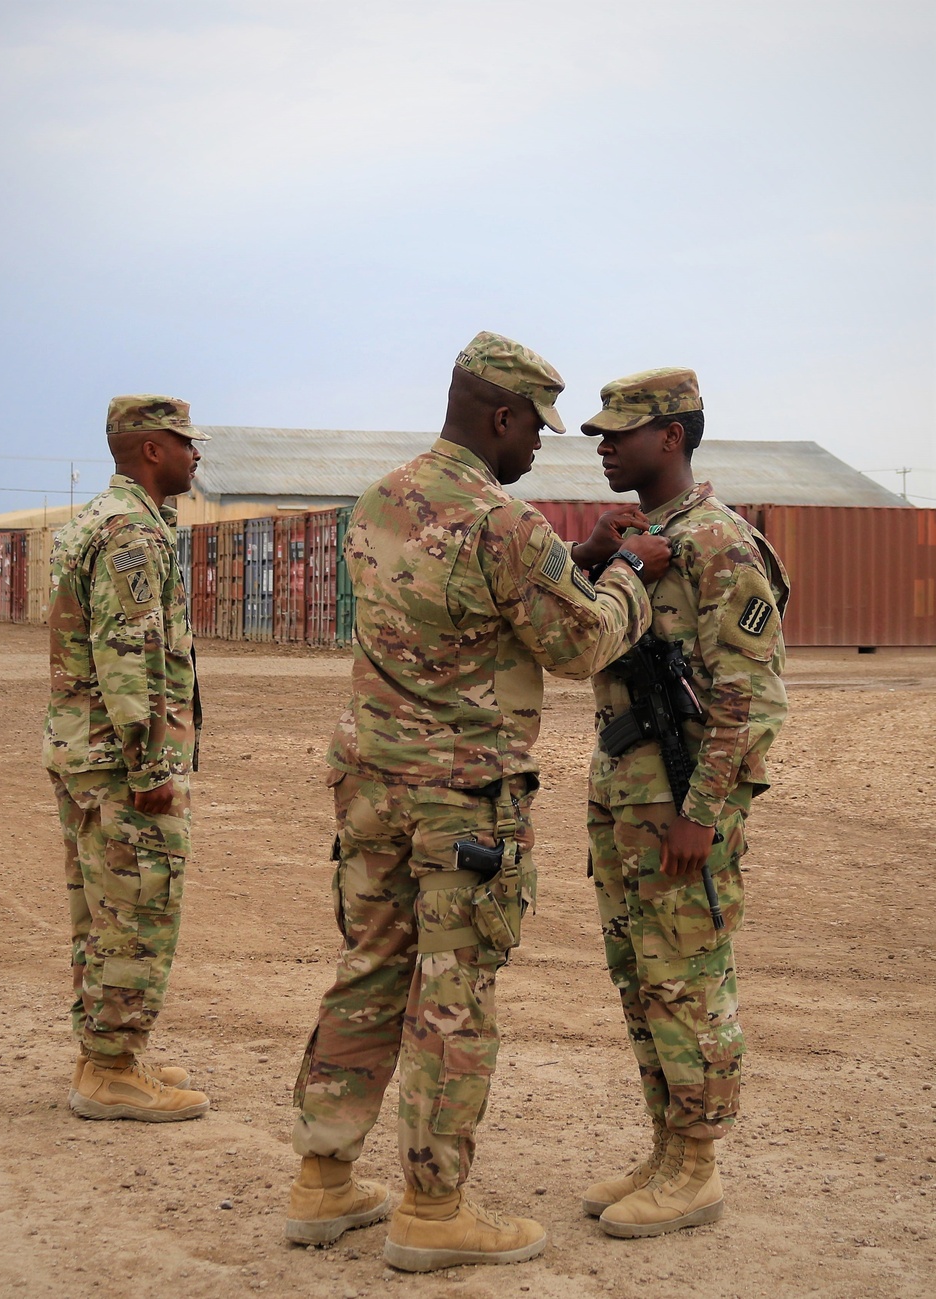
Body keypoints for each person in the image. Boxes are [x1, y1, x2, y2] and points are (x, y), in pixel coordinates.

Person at [286, 332, 672, 1272]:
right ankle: (432, 1205)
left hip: (371, 781)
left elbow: (456, 611)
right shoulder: (504, 523)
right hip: (461, 802)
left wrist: (573, 556)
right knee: (454, 992)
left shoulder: (379, 500)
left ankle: (322, 1181)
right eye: (534, 427)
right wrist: (630, 575)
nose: (540, 446)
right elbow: (577, 645)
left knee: (371, 964)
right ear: (498, 416)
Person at [577, 368, 789, 1236]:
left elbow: (750, 697)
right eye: (599, 432)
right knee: (641, 976)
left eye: (619, 432)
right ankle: (667, 1144)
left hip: (682, 808)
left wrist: (705, 812)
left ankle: (697, 1163)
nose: (603, 445)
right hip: (627, 794)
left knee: (688, 978)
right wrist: (598, 559)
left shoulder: (719, 543)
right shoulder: (640, 538)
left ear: (672, 436)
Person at [44, 394, 211, 1121]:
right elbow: (130, 657)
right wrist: (151, 770)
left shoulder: (96, 521)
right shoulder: (130, 534)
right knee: (140, 906)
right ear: (151, 449)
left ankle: (107, 1051)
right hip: (120, 763)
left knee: (102, 910)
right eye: (185, 442)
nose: (195, 454)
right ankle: (110, 1068)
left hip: (84, 750)